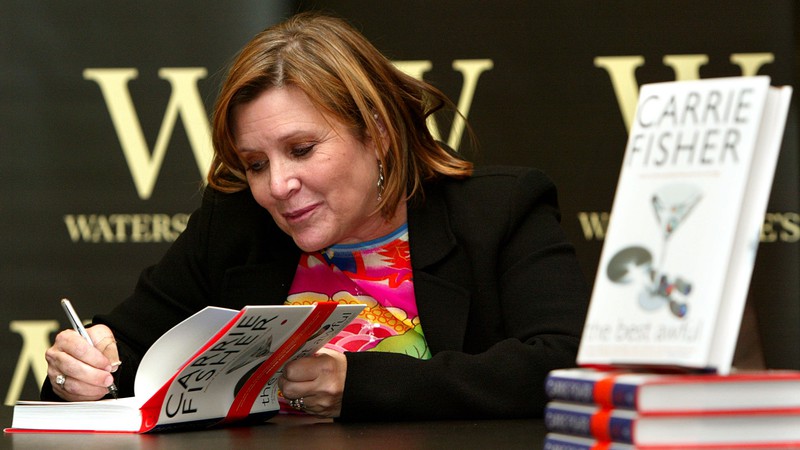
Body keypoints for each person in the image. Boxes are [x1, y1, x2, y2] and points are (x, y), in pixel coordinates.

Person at [42, 12, 589, 421]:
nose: (278, 186)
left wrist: (364, 384)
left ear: (374, 130)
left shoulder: (499, 210)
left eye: (302, 149)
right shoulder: (235, 224)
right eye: (256, 164)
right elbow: (128, 352)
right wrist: (81, 373)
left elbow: (563, 364)